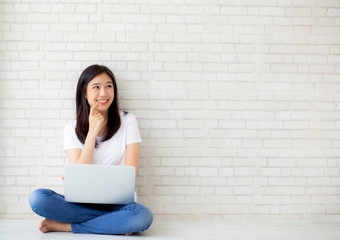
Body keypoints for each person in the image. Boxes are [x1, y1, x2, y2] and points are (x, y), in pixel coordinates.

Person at [28, 64, 153, 235]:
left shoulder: (128, 121)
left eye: (109, 86)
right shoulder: (71, 128)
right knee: (38, 198)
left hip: (119, 202)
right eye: (96, 87)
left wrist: (78, 176)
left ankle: (68, 226)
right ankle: (114, 221)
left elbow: (132, 172)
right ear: (84, 92)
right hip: (82, 203)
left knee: (141, 217)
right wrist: (92, 133)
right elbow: (80, 176)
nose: (104, 93)